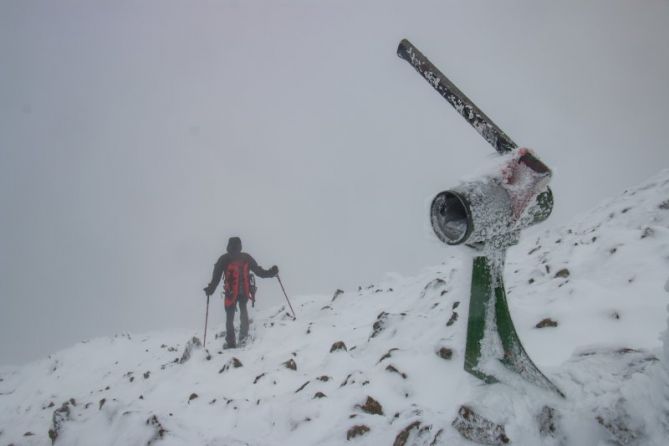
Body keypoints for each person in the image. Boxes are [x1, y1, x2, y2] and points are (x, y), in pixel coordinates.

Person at [204, 237, 278, 348]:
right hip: (244, 290)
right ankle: (243, 338)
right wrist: (272, 272)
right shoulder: (246, 257)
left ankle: (231, 342)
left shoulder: (224, 259)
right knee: (243, 310)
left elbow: (216, 278)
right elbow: (259, 272)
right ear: (240, 245)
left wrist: (210, 289)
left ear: (228, 246)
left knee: (229, 316)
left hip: (230, 292)